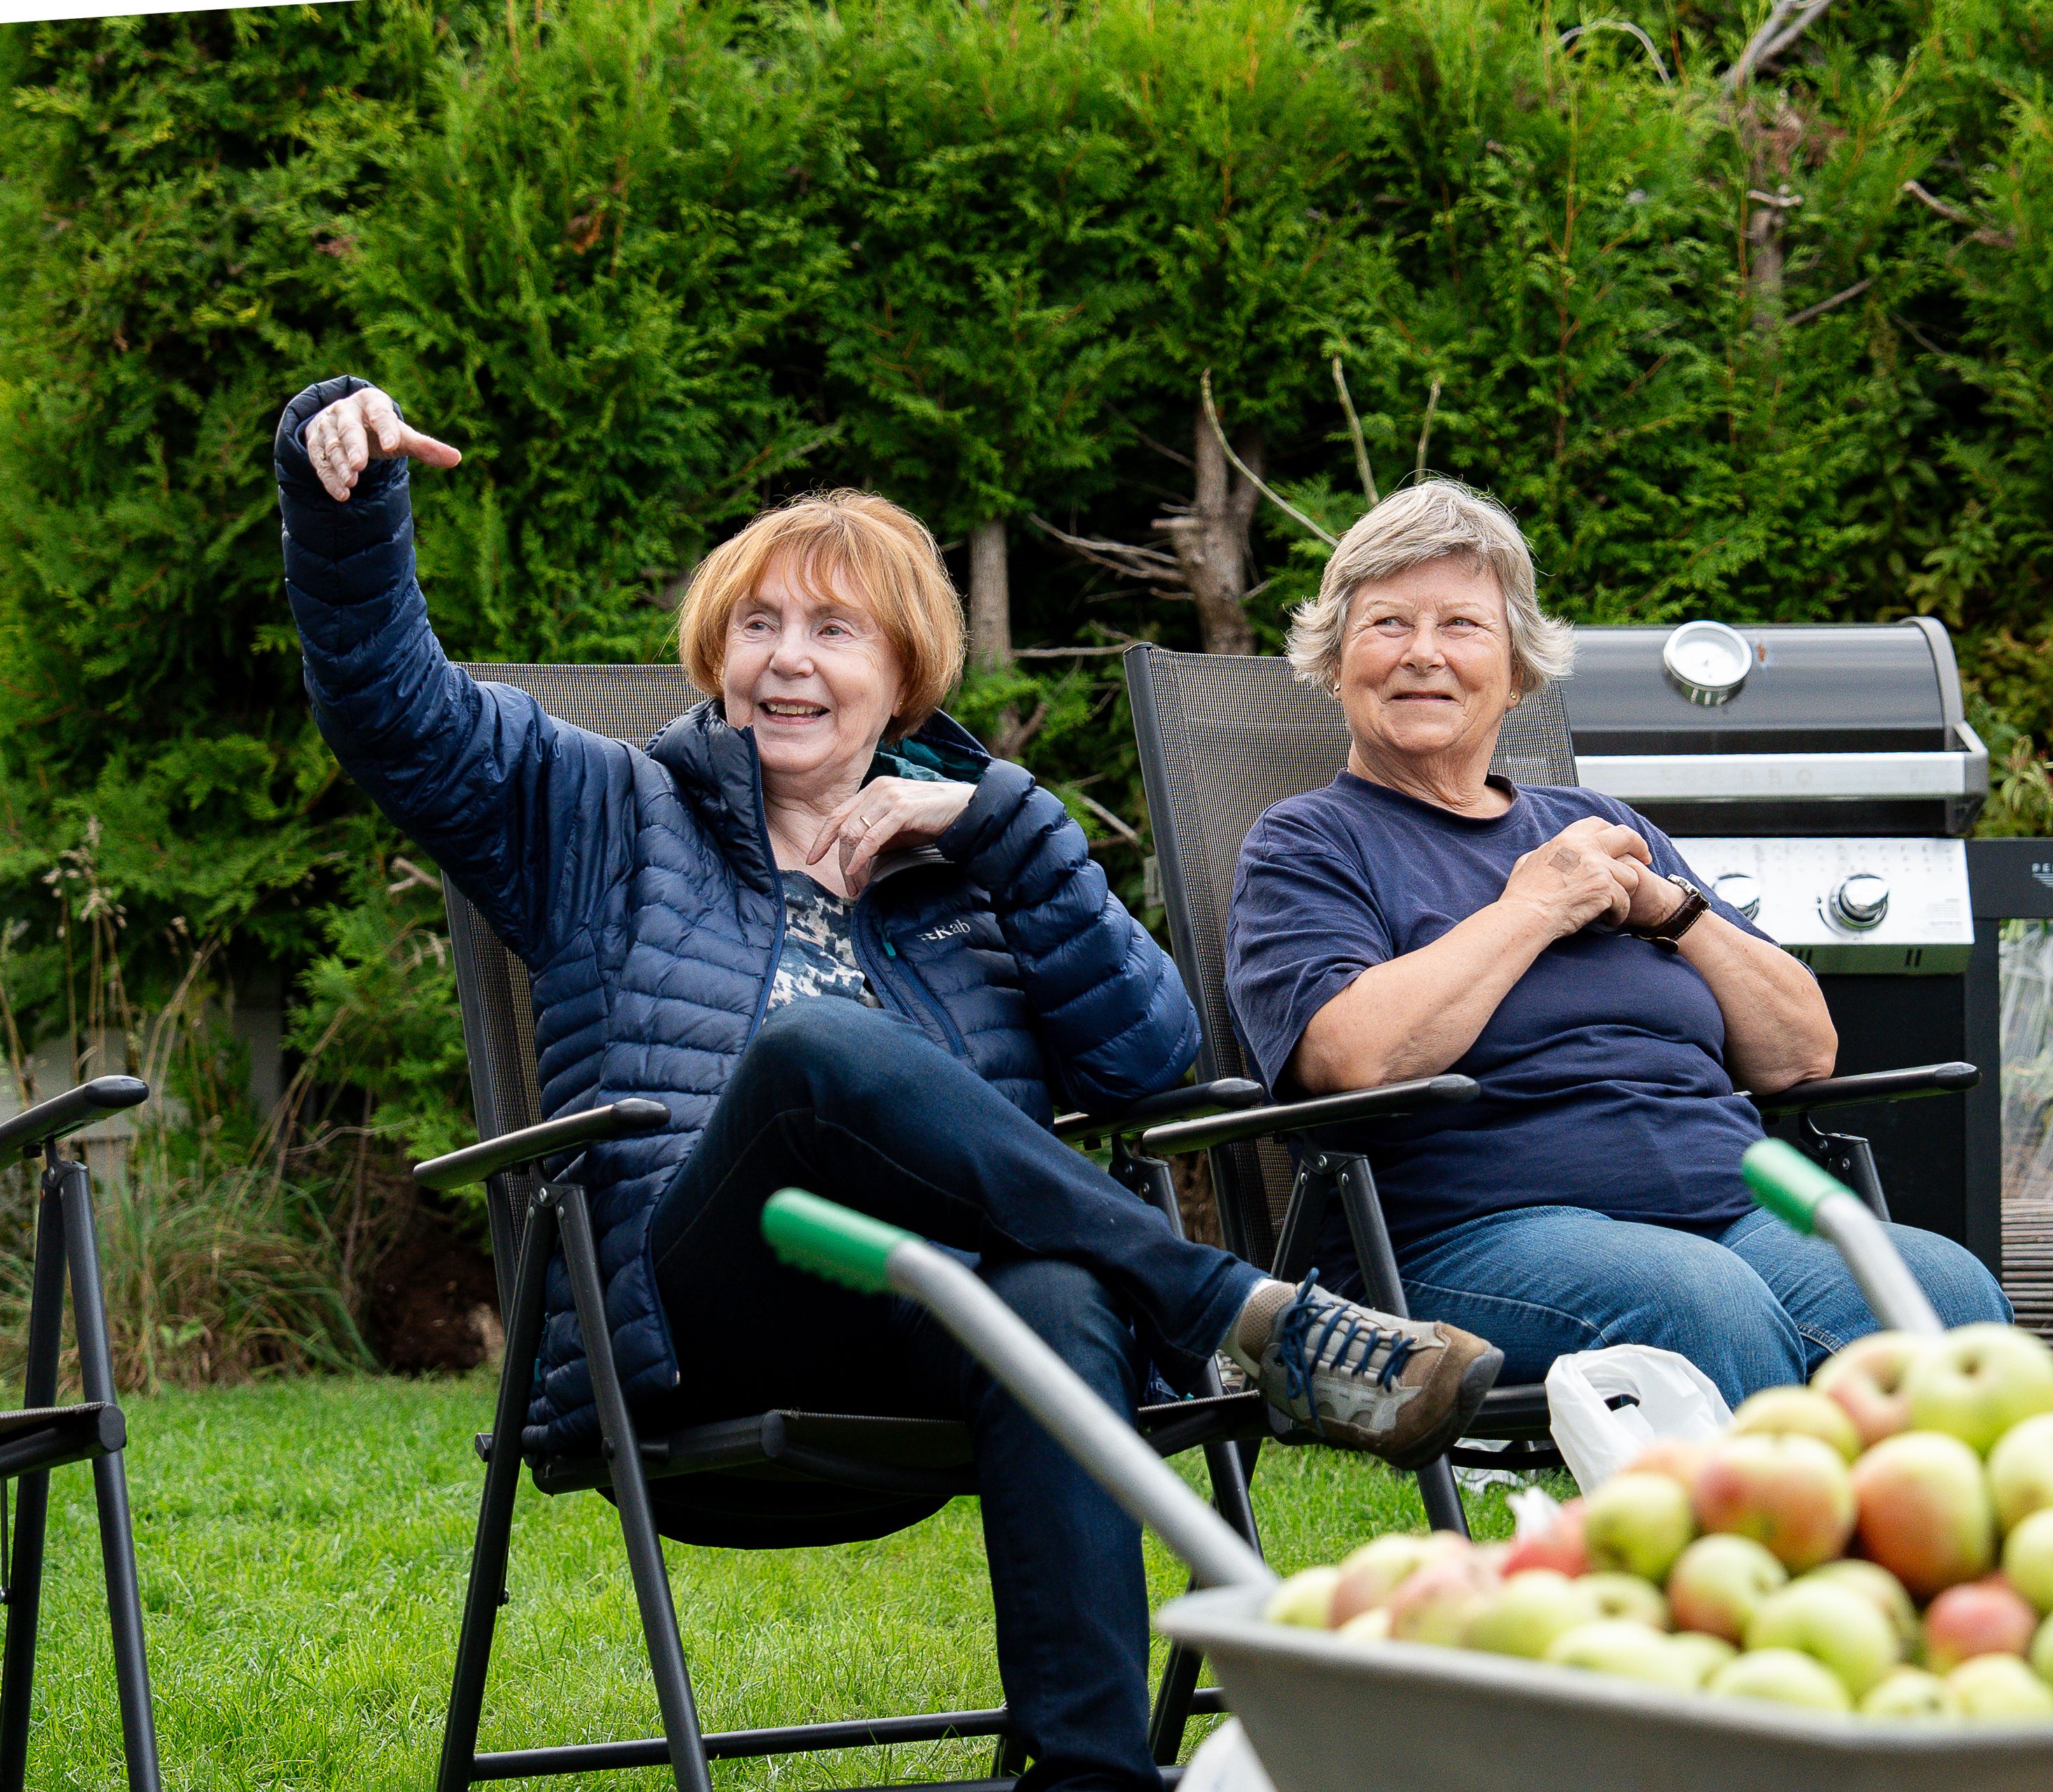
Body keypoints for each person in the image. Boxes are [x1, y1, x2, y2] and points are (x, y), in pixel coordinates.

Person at [276, 377, 1497, 1792]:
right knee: (819, 1060)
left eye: (834, 629)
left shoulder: (976, 867)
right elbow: (391, 708)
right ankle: (1230, 1309)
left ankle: (1090, 1772)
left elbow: (1151, 1062)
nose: (788, 661)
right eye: (759, 625)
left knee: (1053, 1296)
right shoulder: (603, 813)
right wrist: (347, 505)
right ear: (714, 655)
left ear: (903, 676)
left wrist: (1014, 833)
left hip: (927, 1330)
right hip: (698, 1322)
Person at [1225, 479, 2008, 1407]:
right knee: (1700, 1305)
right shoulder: (1307, 842)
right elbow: (1356, 1056)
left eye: (1463, 627)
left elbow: (1804, 1052)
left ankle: (1944, 1553)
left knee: (1945, 1289)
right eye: (1387, 624)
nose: (1423, 654)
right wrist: (1533, 908)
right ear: (1336, 658)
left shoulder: (1599, 822)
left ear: (1516, 669)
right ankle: (1754, 1548)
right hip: (1465, 1241)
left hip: (1732, 1214)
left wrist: (1673, 911)